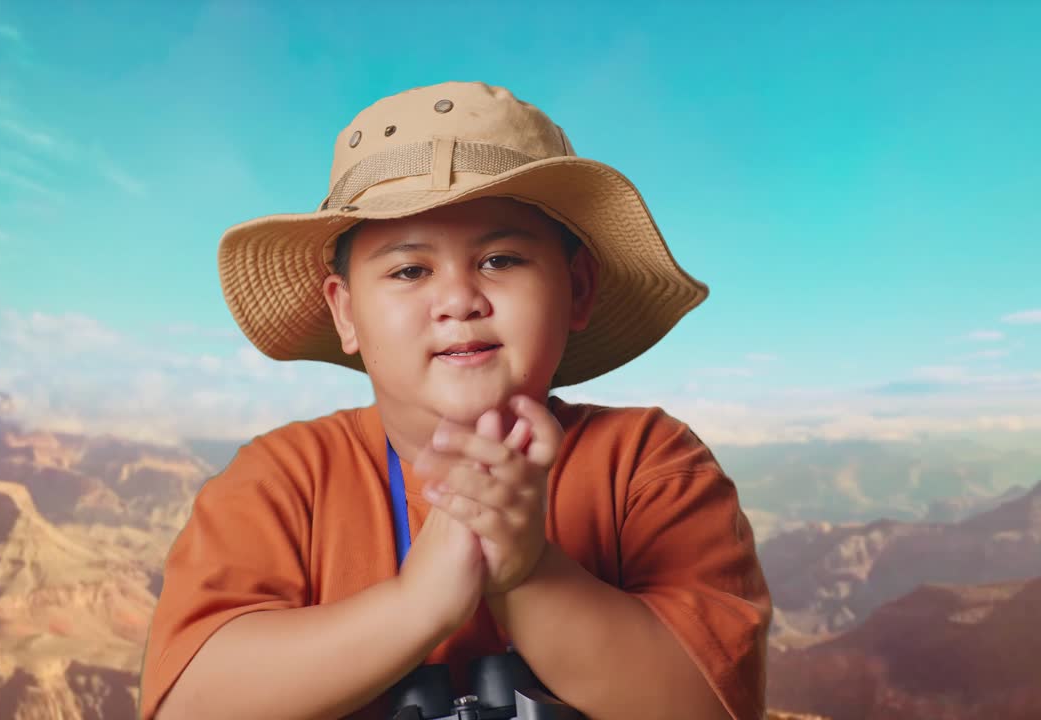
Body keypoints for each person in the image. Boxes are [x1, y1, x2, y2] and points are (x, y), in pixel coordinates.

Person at [138, 81, 771, 720]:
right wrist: (420, 603)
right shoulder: (281, 480)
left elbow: (712, 704)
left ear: (577, 289)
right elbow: (185, 704)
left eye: (501, 259)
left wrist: (529, 574)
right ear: (346, 310)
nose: (459, 299)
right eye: (410, 270)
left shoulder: (648, 464)